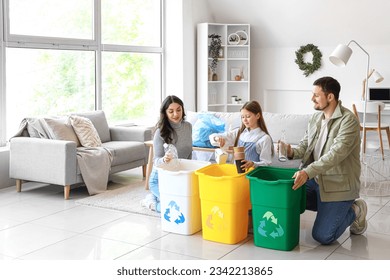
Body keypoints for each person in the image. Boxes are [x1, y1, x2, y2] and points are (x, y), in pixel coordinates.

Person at [283, 76, 367, 245]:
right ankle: (327, 209)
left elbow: (335, 155)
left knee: (323, 236)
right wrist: (290, 151)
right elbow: (305, 146)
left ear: (330, 97)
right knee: (285, 193)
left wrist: (307, 172)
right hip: (316, 181)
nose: (311, 98)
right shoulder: (315, 118)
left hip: (338, 185)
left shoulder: (349, 121)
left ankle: (355, 209)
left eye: (316, 95)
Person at [141, 95, 192, 212]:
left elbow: (189, 153)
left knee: (187, 204)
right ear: (165, 113)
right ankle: (150, 203)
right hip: (159, 178)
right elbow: (156, 161)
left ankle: (154, 196)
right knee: (175, 208)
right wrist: (164, 159)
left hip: (178, 176)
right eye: (171, 111)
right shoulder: (160, 132)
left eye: (178, 110)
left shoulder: (188, 126)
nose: (176, 114)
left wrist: (189, 175)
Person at [209, 100, 274, 169]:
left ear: (258, 116)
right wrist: (217, 138)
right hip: (236, 174)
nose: (244, 120)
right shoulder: (239, 133)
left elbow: (267, 163)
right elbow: (213, 136)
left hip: (252, 176)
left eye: (248, 116)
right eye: (242, 117)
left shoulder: (264, 138)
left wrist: (253, 164)